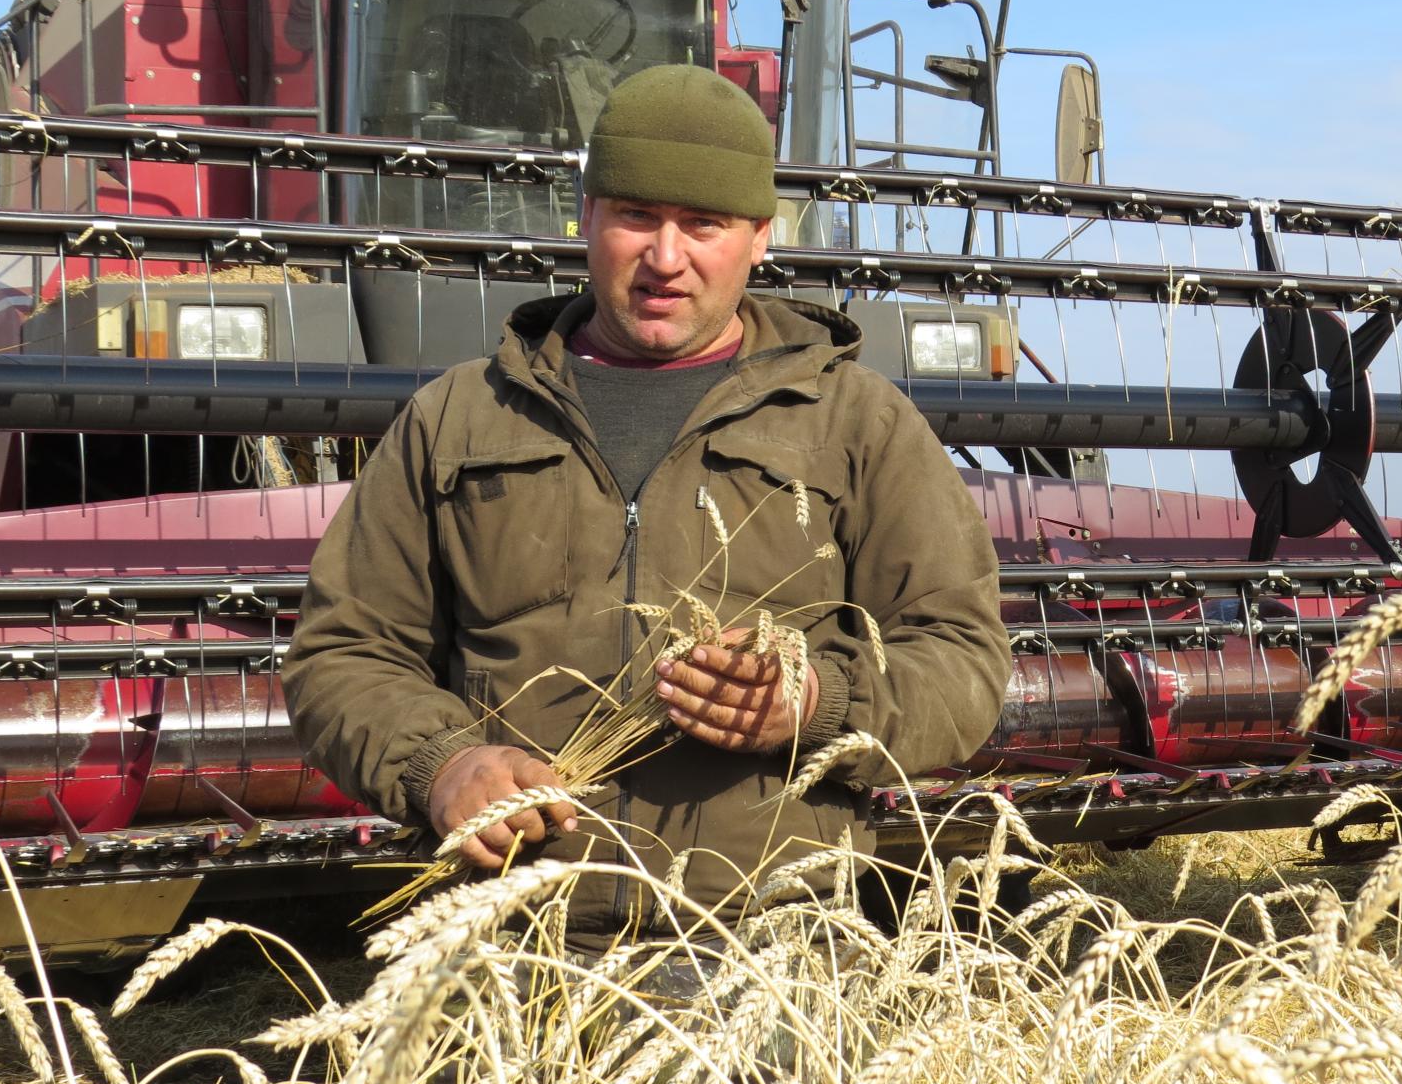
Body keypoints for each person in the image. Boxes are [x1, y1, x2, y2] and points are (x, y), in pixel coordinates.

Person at [283, 65, 1010, 947]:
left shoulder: (857, 422)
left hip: (774, 953)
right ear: (586, 215)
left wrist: (815, 702)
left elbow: (964, 657)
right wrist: (442, 765)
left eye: (704, 224)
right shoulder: (459, 417)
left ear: (759, 237)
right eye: (636, 215)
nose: (666, 257)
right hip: (508, 946)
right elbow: (344, 651)